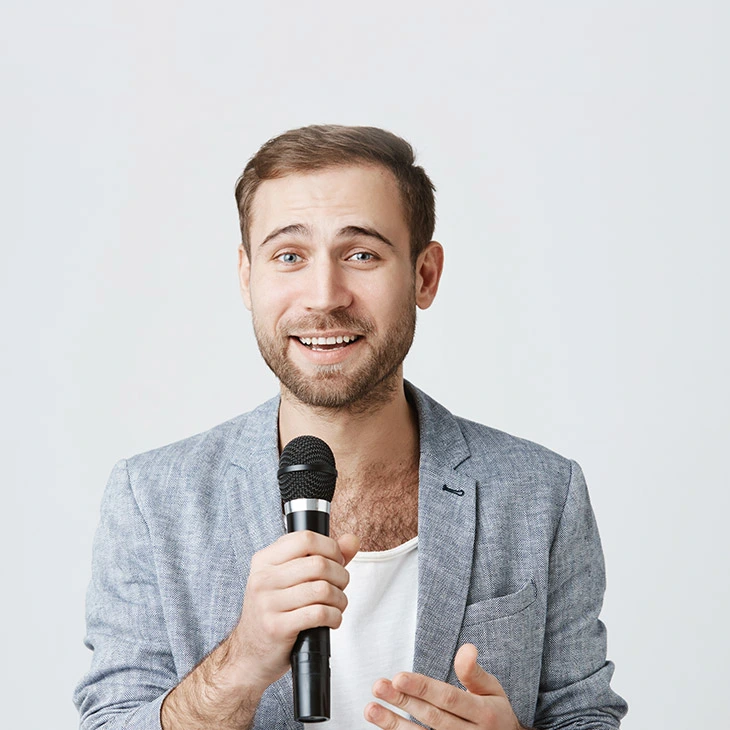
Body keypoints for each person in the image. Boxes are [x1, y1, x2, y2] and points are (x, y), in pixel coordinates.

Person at [74, 125, 628, 730]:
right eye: (289, 256)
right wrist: (241, 662)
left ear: (424, 275)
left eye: (361, 254)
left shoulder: (543, 493)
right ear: (247, 277)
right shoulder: (152, 500)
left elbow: (586, 716)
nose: (324, 297)